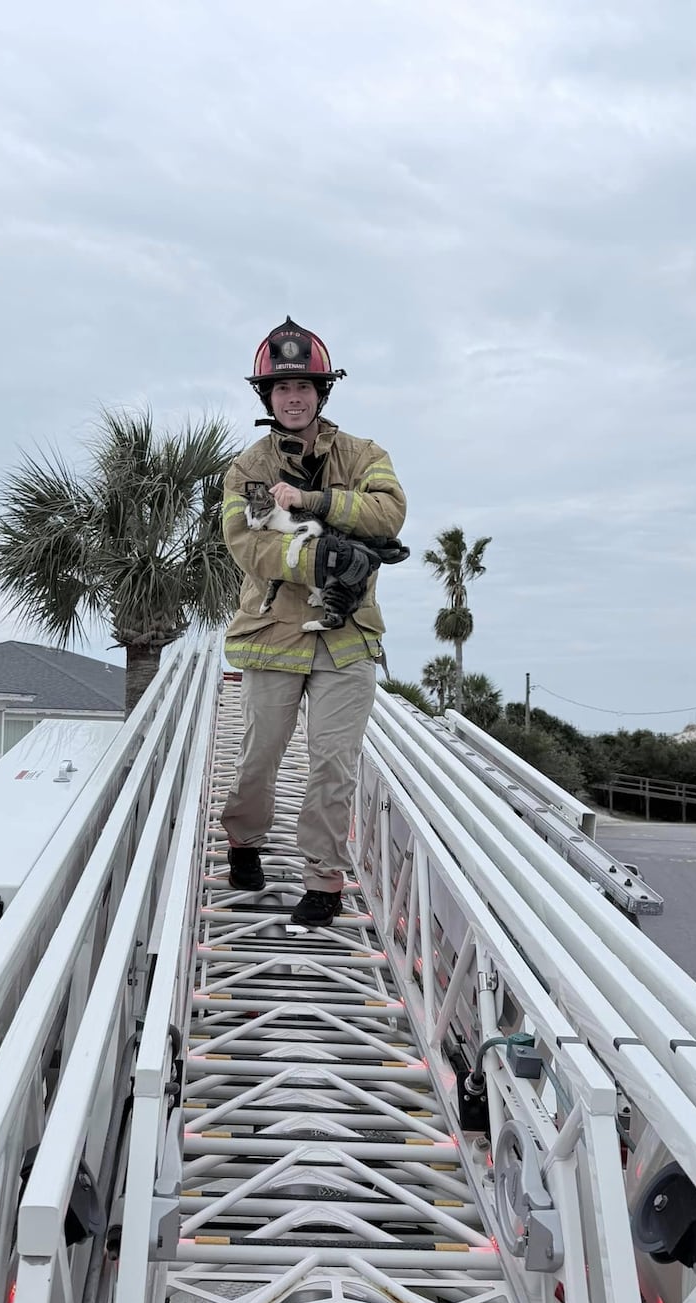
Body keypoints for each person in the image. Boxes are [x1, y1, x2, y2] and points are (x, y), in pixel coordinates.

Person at [221, 316, 407, 928]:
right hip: (272, 635)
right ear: (267, 397)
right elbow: (248, 543)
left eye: (304, 386)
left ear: (321, 393)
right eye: (282, 387)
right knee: (259, 755)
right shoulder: (248, 468)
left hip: (347, 638)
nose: (294, 397)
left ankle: (323, 878)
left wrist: (314, 501)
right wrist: (321, 557)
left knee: (333, 763)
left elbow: (388, 514)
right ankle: (244, 841)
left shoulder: (365, 455)